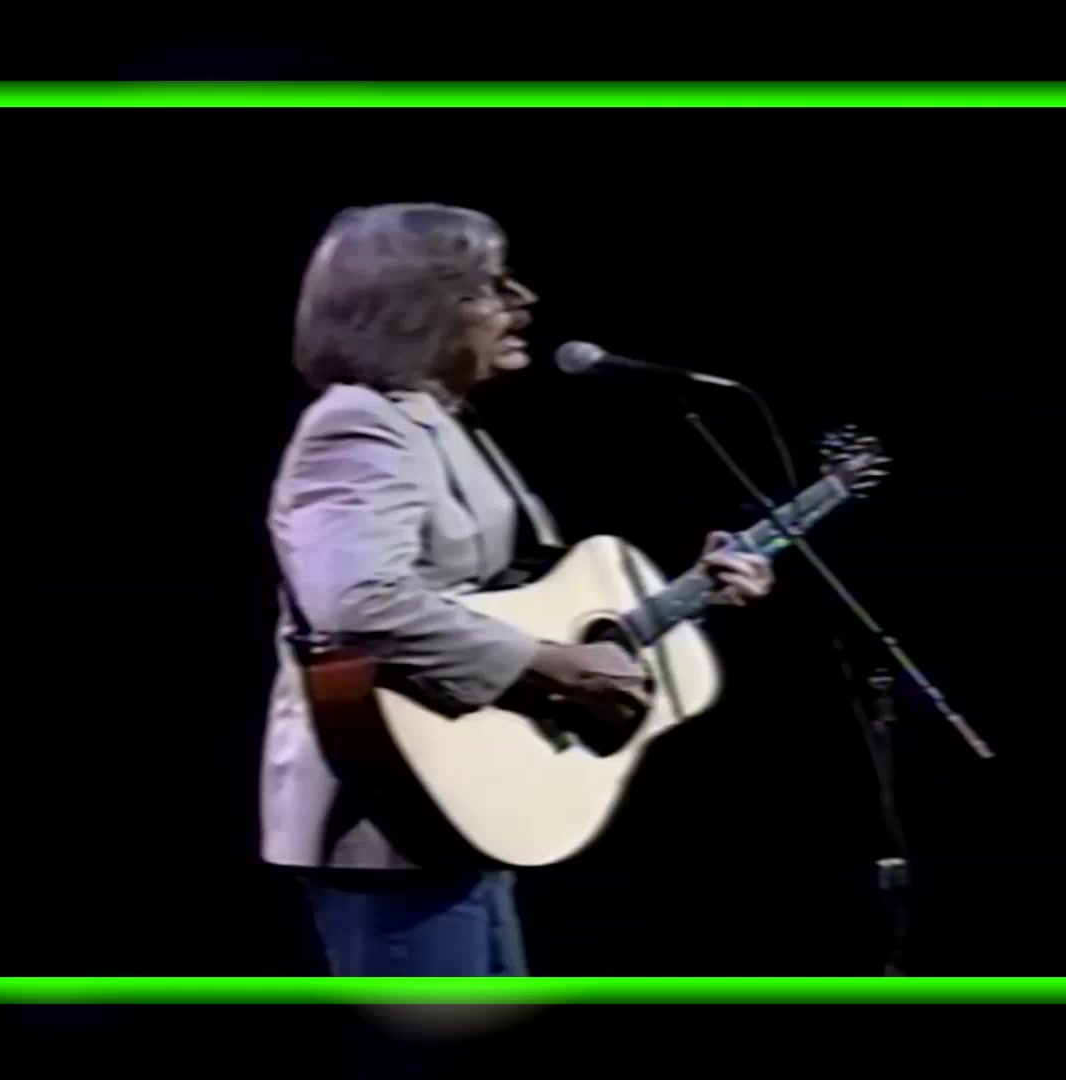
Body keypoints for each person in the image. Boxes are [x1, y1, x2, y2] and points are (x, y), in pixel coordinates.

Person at [261, 204, 775, 976]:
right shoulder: (360, 426)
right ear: (413, 307)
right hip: (389, 817)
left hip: (460, 810)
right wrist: (549, 664)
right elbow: (358, 603)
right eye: (489, 287)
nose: (523, 301)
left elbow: (509, 600)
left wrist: (698, 591)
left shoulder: (445, 425)